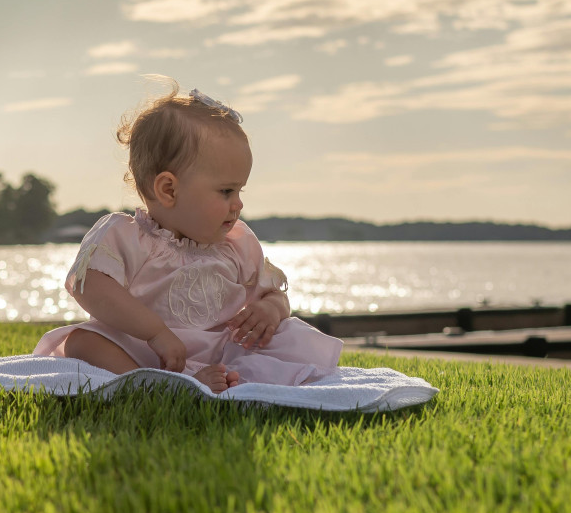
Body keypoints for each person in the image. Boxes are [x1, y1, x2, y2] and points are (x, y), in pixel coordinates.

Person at [34, 76, 343, 393]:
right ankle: (153, 385)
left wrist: (270, 310)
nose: (238, 204)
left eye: (239, 190)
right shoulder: (124, 236)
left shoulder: (236, 242)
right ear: (168, 190)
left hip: (222, 351)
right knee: (81, 341)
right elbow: (92, 289)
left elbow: (274, 293)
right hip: (147, 351)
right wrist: (155, 333)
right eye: (225, 191)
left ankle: (222, 379)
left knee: (290, 333)